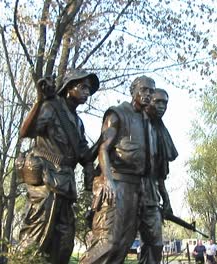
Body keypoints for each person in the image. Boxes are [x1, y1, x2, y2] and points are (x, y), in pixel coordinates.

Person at [17, 69, 99, 264]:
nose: (87, 92)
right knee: (36, 236)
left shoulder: (78, 123)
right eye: (83, 87)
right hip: (46, 182)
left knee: (64, 243)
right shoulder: (50, 107)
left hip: (65, 185)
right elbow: (26, 132)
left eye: (89, 88)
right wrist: (39, 100)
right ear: (69, 88)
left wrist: (106, 136)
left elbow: (84, 155)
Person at [80, 76, 157, 264]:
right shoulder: (117, 113)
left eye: (151, 92)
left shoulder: (147, 121)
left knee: (124, 243)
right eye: (144, 90)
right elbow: (103, 148)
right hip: (115, 183)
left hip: (135, 188)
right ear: (134, 90)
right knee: (108, 242)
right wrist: (107, 180)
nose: (148, 95)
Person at [145, 88, 178, 217]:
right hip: (129, 190)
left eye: (164, 103)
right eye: (157, 102)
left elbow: (160, 175)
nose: (161, 106)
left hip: (151, 195)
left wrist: (166, 200)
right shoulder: (134, 124)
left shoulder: (162, 133)